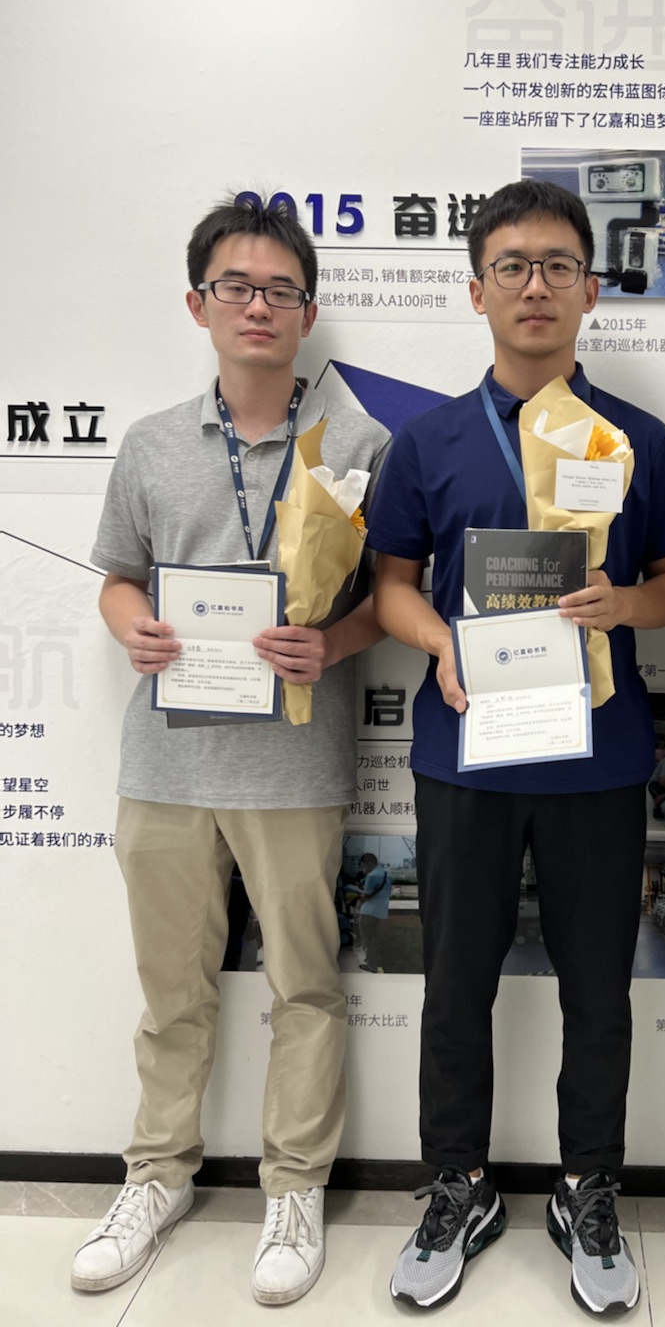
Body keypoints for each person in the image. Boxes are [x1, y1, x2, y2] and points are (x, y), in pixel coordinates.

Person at [368, 179, 665, 1316]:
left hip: (598, 759)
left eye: (559, 265)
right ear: (477, 291)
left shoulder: (634, 439)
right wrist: (440, 644)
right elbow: (392, 584)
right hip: (466, 749)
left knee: (598, 987)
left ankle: (586, 1185)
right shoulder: (427, 441)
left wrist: (624, 604)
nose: (535, 286)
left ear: (591, 289)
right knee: (455, 982)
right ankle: (456, 1184)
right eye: (511, 266)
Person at [73, 197, 390, 1306]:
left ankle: (294, 1189)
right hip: (165, 764)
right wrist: (133, 629)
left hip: (294, 768)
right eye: (237, 288)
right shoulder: (152, 443)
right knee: (172, 994)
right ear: (198, 302)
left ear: (308, 310)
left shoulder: (357, 444)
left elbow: (392, 599)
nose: (259, 306)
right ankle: (156, 1176)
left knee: (306, 988)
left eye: (280, 290)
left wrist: (332, 641)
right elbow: (117, 576)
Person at [357, 850, 392, 972]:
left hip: (368, 912)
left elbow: (366, 896)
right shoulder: (386, 873)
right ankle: (373, 960)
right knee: (374, 938)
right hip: (380, 911)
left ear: (369, 863)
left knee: (368, 939)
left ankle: (371, 965)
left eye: (363, 866)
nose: (363, 870)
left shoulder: (371, 876)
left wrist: (359, 895)